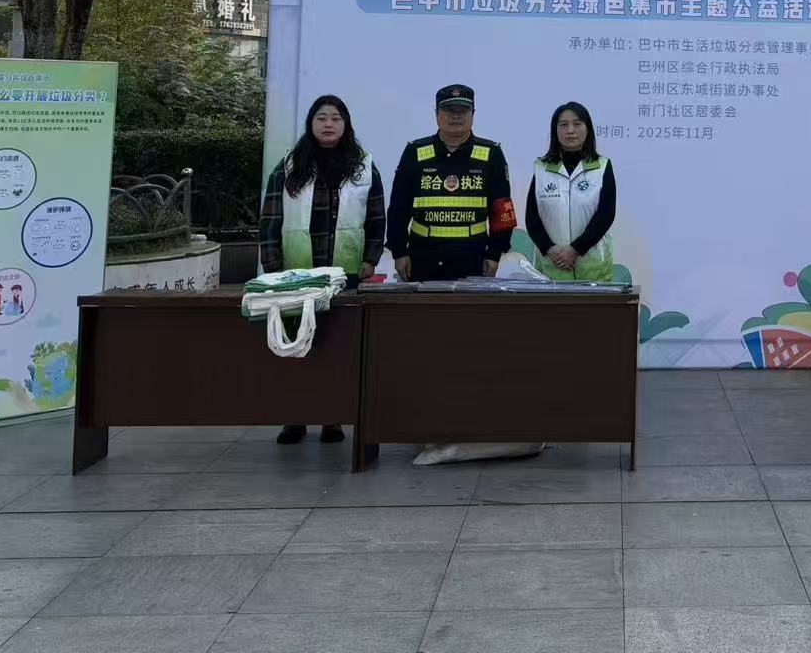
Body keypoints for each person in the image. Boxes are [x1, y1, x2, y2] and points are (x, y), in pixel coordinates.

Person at [258, 93, 386, 445]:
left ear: (346, 125)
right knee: (296, 347)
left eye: (335, 118)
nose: (328, 124)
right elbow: (270, 219)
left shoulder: (363, 165)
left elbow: (377, 217)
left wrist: (371, 259)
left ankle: (334, 418)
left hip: (345, 276)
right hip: (296, 275)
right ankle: (295, 419)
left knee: (337, 348)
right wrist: (273, 268)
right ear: (311, 123)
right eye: (321, 118)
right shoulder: (289, 165)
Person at [387, 84, 516, 282]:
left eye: (463, 110)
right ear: (436, 113)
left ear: (473, 114)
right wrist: (399, 251)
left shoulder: (491, 154)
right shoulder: (415, 152)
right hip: (422, 257)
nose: (456, 116)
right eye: (449, 110)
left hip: (474, 258)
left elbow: (502, 211)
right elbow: (398, 207)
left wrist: (494, 254)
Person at [526, 101, 617, 282]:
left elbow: (605, 215)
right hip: (550, 267)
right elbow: (532, 217)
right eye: (563, 125)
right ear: (555, 130)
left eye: (577, 124)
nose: (570, 130)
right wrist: (550, 250)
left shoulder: (602, 167)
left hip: (592, 268)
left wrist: (576, 249)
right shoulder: (542, 168)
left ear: (587, 129)